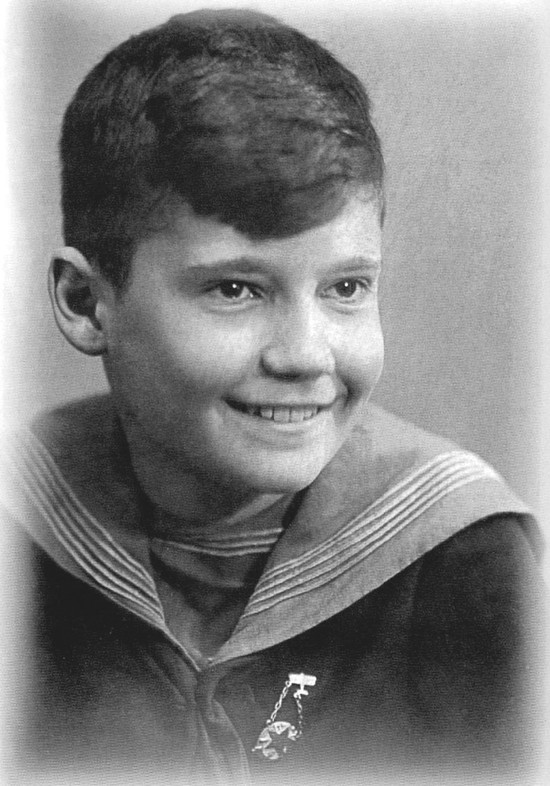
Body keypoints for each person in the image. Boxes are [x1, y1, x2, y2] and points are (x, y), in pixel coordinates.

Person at [1, 8, 545, 786]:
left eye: (346, 287)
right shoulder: (21, 522)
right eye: (235, 289)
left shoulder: (466, 565)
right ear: (87, 303)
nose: (305, 354)